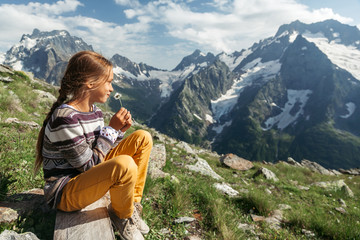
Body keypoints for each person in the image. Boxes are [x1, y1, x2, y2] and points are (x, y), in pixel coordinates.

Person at [35, 51, 153, 240]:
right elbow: (89, 166)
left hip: (88, 179)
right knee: (125, 164)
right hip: (65, 193)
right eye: (108, 82)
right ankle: (121, 214)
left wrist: (118, 131)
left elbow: (101, 150)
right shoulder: (66, 118)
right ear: (90, 83)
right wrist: (111, 130)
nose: (112, 88)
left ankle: (130, 207)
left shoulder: (95, 112)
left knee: (143, 138)